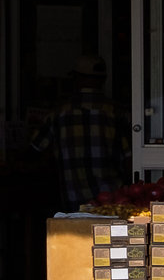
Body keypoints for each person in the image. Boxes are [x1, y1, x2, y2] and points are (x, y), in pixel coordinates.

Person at [35, 55, 124, 211]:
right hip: (112, 197)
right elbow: (130, 156)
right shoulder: (117, 112)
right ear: (104, 80)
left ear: (77, 79)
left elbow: (36, 147)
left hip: (73, 196)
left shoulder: (59, 112)